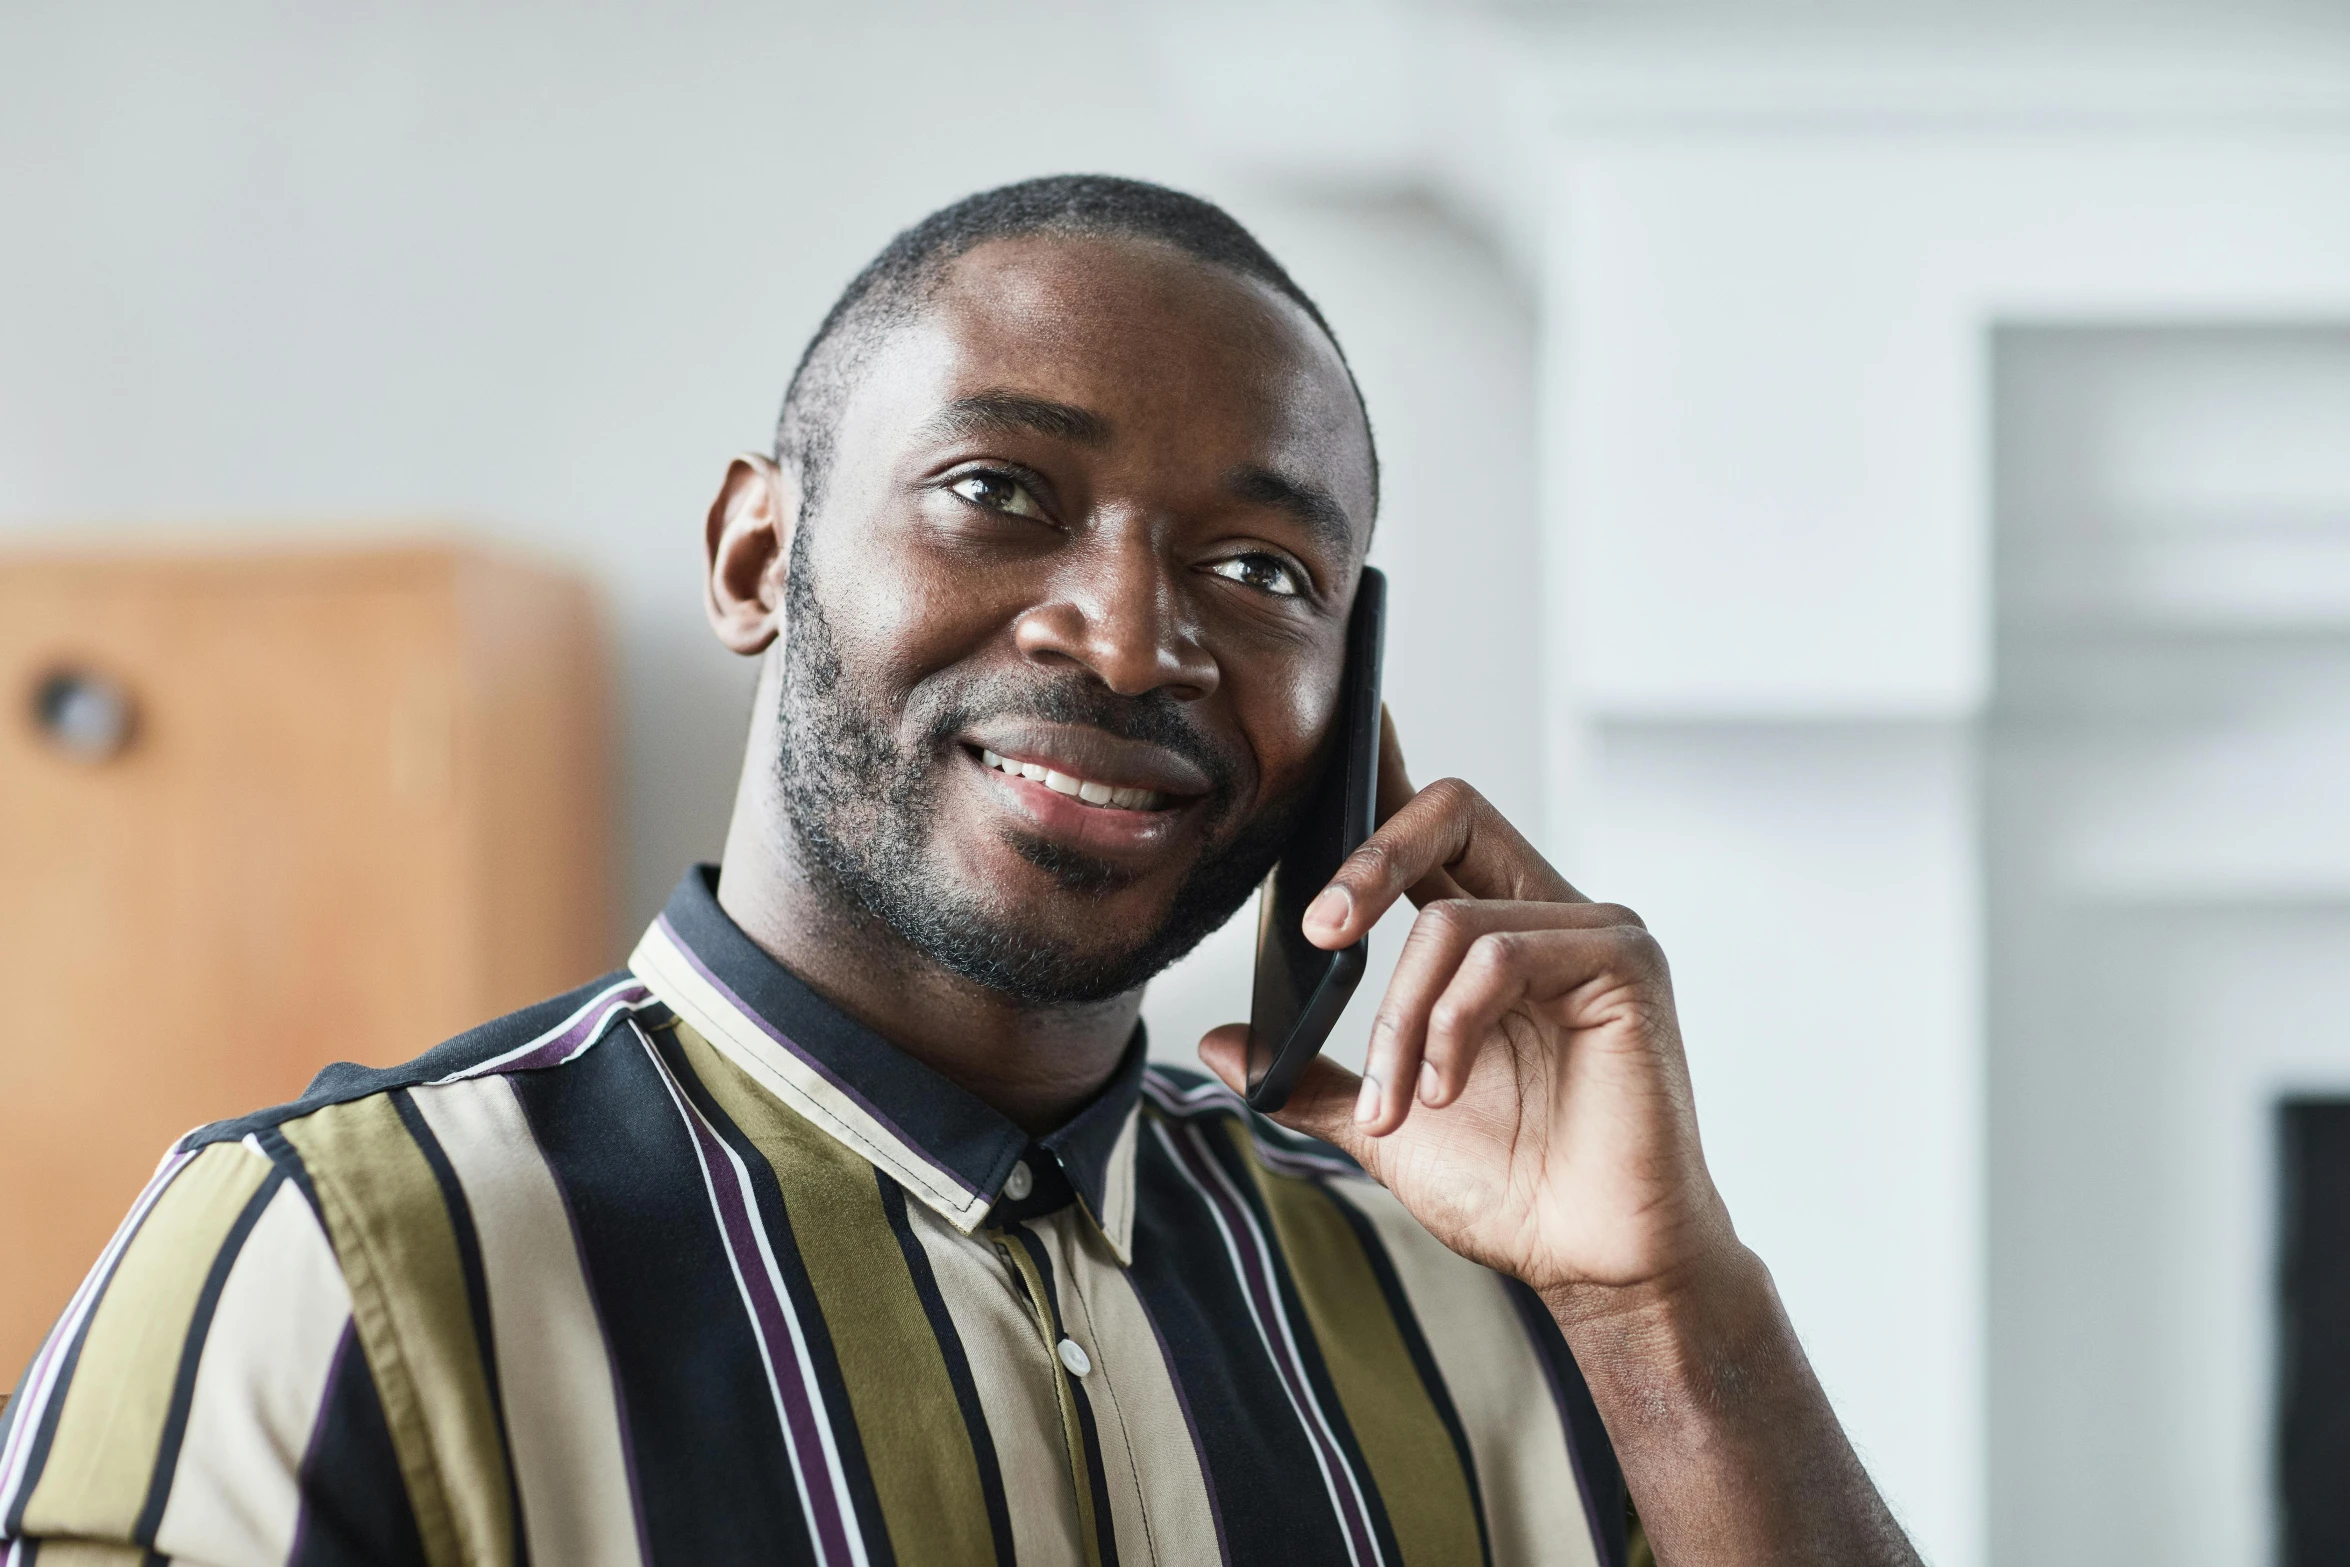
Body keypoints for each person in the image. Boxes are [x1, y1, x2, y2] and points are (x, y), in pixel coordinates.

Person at [0, 176, 1919, 1567]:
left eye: (1263, 571)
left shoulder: (1478, 1299)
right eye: (1000, 491)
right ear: (759, 559)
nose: (1127, 636)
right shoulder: (341, 1261)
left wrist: (1666, 1306)